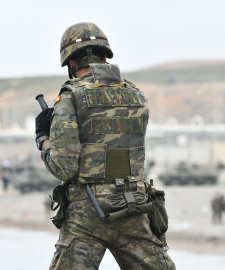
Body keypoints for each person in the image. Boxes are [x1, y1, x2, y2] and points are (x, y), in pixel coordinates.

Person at [35, 22, 175, 270]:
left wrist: (44, 139)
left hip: (88, 211)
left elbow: (64, 167)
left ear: (70, 63)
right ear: (104, 55)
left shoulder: (71, 95)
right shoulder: (135, 94)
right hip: (133, 204)